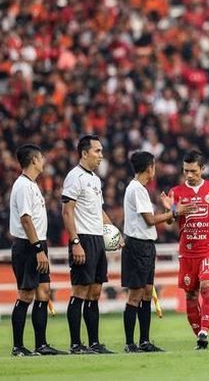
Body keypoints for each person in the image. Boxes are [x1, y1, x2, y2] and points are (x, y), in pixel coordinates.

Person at [162, 150, 209, 349]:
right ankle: (200, 337)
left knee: (207, 288)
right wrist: (171, 209)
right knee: (190, 295)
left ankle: (205, 329)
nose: (189, 175)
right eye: (186, 171)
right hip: (187, 251)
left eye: (193, 171)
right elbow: (170, 221)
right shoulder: (176, 192)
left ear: (202, 169)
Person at [10, 144, 66, 356]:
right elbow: (26, 219)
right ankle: (18, 346)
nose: (43, 161)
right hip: (28, 246)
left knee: (43, 292)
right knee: (26, 295)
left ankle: (41, 345)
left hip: (37, 244)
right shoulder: (23, 186)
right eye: (41, 158)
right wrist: (37, 249)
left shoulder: (32, 185)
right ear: (34, 160)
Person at [62, 135, 115, 354]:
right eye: (97, 151)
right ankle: (76, 344)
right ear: (84, 153)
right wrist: (75, 242)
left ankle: (94, 343)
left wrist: (114, 232)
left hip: (97, 239)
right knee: (80, 291)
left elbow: (99, 211)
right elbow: (67, 211)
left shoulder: (94, 179)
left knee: (94, 292)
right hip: (82, 239)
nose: (101, 155)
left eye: (101, 151)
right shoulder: (74, 177)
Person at [121, 151, 174, 353]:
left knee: (145, 293)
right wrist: (174, 212)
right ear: (149, 167)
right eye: (154, 166)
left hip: (146, 246)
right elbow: (149, 220)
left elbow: (156, 220)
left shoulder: (139, 189)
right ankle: (130, 343)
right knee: (135, 295)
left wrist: (169, 210)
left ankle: (144, 341)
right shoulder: (136, 189)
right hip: (137, 246)